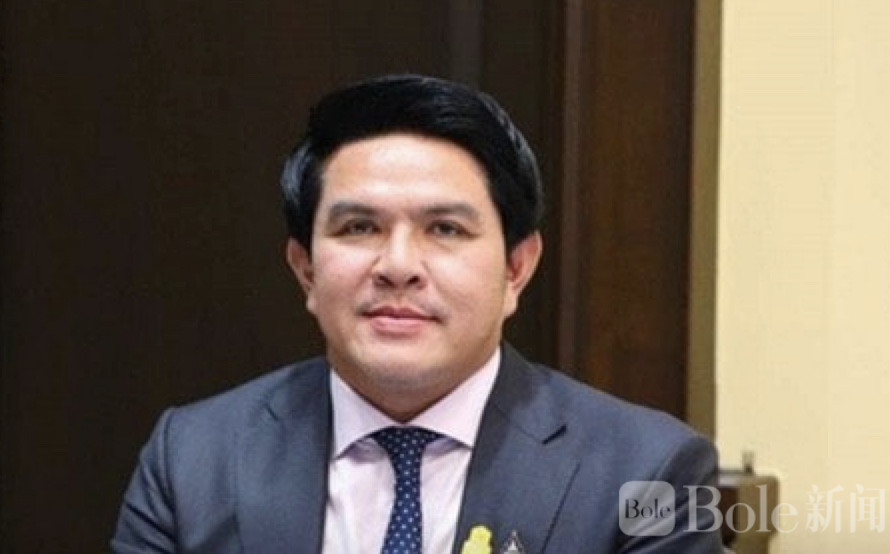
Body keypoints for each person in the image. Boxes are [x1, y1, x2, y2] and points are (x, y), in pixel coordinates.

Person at [112, 74, 724, 553]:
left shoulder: (650, 471)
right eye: (359, 227)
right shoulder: (191, 459)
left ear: (516, 268)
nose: (398, 266)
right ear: (305, 269)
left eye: (445, 229)